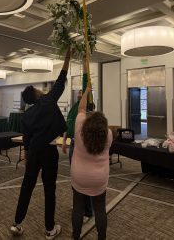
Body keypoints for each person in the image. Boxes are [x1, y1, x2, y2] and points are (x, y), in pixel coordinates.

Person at [10, 49, 71, 239]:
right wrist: (67, 58)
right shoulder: (48, 101)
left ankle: (17, 224)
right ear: (36, 93)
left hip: (34, 153)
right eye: (37, 89)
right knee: (49, 189)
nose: (39, 89)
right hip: (48, 152)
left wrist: (28, 159)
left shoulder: (26, 116)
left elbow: (26, 142)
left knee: (26, 186)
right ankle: (50, 229)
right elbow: (61, 80)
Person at [71, 85, 113, 240]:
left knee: (78, 209)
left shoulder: (79, 128)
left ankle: (76, 236)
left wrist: (87, 91)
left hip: (79, 177)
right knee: (100, 210)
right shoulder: (108, 134)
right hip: (99, 179)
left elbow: (81, 109)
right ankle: (102, 237)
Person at [62, 56, 93, 222]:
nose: (80, 94)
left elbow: (86, 81)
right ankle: (80, 206)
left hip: (82, 147)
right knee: (76, 177)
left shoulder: (86, 107)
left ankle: (88, 211)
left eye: (83, 92)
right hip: (73, 144)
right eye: (79, 93)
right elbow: (68, 123)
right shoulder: (75, 108)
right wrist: (66, 140)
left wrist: (84, 63)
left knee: (84, 178)